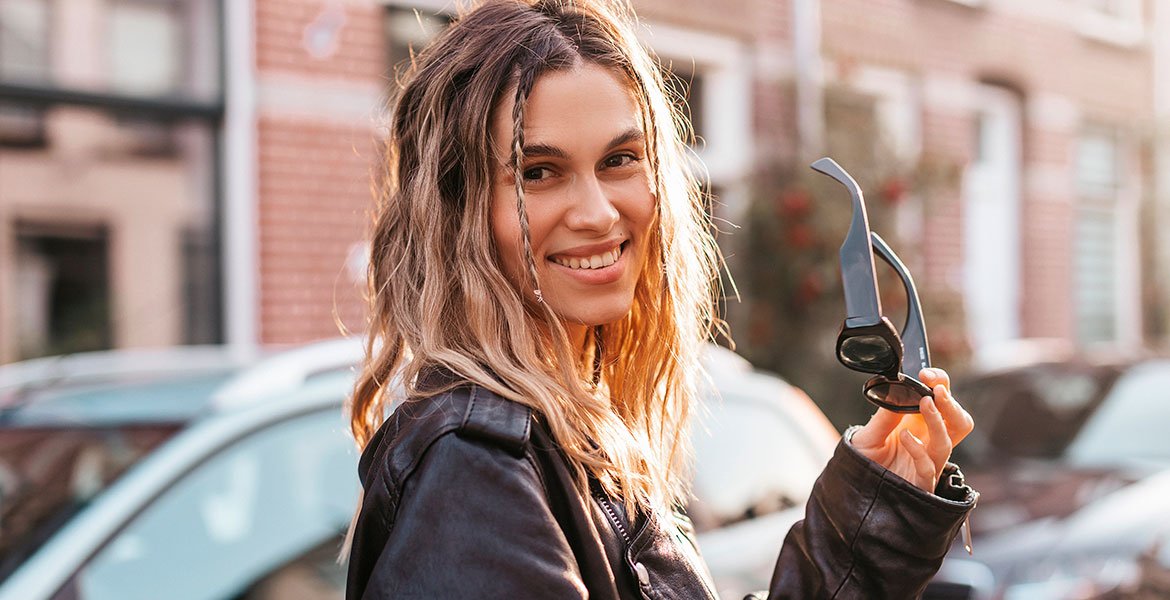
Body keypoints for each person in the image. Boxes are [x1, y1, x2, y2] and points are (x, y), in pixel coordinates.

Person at [343, 0, 977, 598]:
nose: (598, 213)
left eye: (620, 159)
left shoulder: (573, 436)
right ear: (458, 210)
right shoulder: (474, 470)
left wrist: (869, 523)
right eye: (538, 172)